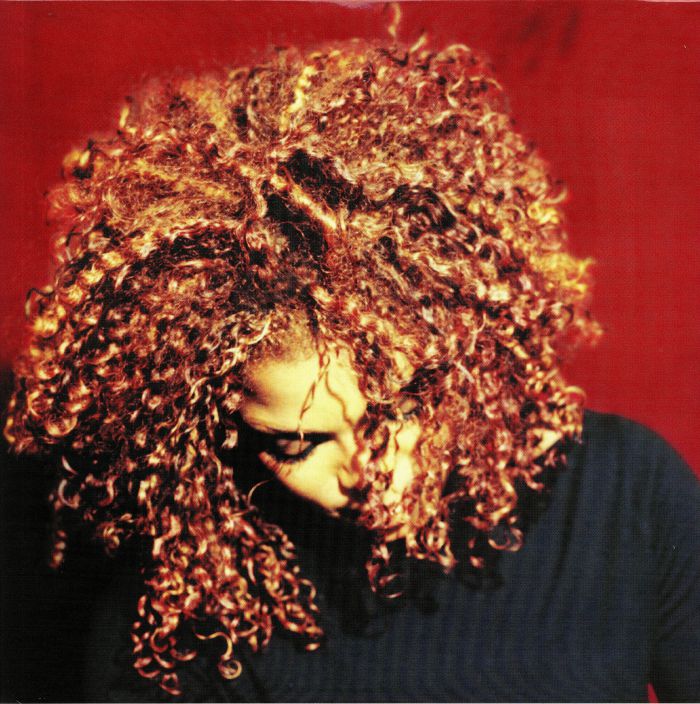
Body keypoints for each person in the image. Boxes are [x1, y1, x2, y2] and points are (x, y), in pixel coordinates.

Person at [4, 36, 699, 702]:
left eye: (405, 408)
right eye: (298, 444)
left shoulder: (625, 499)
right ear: (214, 426)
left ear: (460, 349)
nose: (373, 475)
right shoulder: (184, 613)